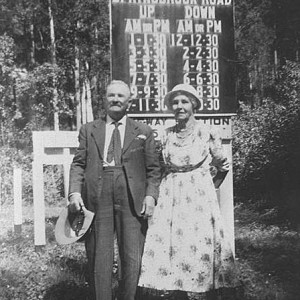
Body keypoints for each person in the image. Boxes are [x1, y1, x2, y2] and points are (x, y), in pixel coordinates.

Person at [137, 84, 238, 300]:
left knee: (201, 242)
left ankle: (207, 290)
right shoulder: (164, 136)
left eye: (184, 101)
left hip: (199, 196)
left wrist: (211, 187)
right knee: (174, 241)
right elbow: (157, 168)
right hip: (170, 195)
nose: (179, 106)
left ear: (194, 104)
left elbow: (223, 165)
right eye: (175, 102)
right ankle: (178, 291)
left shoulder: (208, 131)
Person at [68, 80, 161, 300]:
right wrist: (74, 192)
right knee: (99, 253)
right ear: (104, 99)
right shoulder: (89, 129)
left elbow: (154, 169)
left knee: (131, 254)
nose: (116, 100)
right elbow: (79, 163)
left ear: (130, 101)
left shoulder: (144, 131)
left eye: (121, 96)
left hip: (133, 197)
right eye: (111, 95)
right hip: (98, 194)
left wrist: (150, 196)